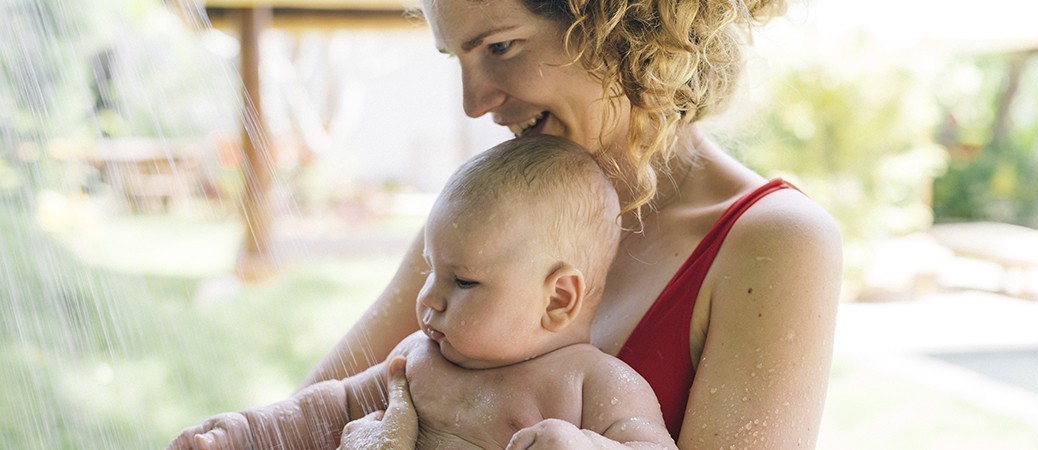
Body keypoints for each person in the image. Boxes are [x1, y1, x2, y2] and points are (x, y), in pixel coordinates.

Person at [307, 0, 843, 448]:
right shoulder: (488, 217)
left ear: (619, 29)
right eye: (457, 58)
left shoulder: (774, 241)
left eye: (500, 47)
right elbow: (304, 418)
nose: (475, 103)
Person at [168, 135, 676, 450]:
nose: (429, 299)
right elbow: (325, 410)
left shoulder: (596, 384)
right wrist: (239, 435)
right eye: (431, 272)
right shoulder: (418, 361)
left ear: (559, 299)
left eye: (463, 282)